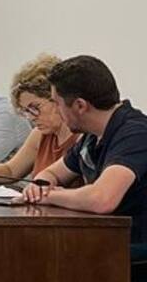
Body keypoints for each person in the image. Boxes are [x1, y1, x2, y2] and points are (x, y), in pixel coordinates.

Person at [18, 56, 147, 244]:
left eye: (57, 103)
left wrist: (48, 195)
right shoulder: (92, 136)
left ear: (80, 105)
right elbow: (52, 173)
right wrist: (39, 186)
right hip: (107, 242)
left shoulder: (135, 133)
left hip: (134, 249)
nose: (57, 111)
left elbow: (102, 199)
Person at [0, 54, 80, 182]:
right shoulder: (39, 134)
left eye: (35, 107)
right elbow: (11, 170)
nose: (31, 117)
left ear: (57, 99)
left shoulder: (82, 138)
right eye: (26, 111)